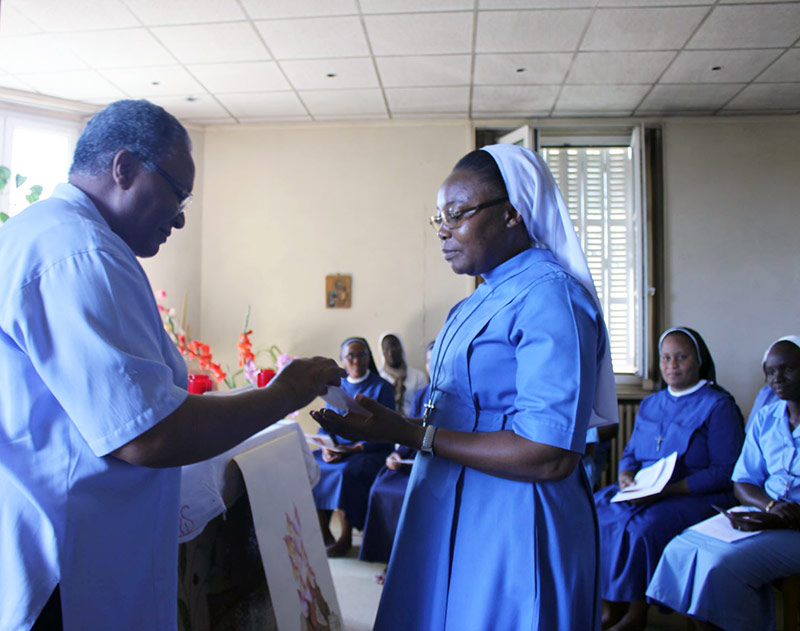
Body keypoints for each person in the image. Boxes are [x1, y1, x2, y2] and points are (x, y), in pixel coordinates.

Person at [0, 99, 344, 631]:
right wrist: (285, 394)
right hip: (69, 564)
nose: (181, 217)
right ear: (124, 168)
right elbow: (149, 435)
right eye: (177, 193)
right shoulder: (81, 253)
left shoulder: (45, 233)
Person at [313, 144, 619, 630]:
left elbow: (549, 453)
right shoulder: (475, 301)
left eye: (456, 214)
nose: (442, 230)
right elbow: (464, 413)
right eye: (439, 217)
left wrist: (413, 435)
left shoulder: (551, 297)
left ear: (512, 212)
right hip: (447, 497)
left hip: (513, 514)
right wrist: (389, 424)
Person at [594, 327, 745, 631]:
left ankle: (636, 613)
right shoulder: (651, 403)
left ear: (699, 360)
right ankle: (610, 607)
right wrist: (625, 475)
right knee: (596, 511)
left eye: (681, 357)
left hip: (694, 494)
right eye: (665, 358)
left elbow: (726, 471)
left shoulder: (719, 405)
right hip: (645, 491)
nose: (672, 365)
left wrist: (668, 490)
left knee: (641, 529)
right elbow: (631, 452)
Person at [646, 335, 800, 631]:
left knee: (722, 566)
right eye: (770, 372)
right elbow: (743, 481)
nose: (777, 378)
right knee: (681, 549)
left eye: (788, 369)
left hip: (795, 527)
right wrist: (770, 507)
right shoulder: (766, 418)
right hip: (766, 513)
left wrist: (784, 515)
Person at [312, 337, 395, 557]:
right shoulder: (337, 388)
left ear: (369, 358)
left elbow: (389, 430)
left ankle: (345, 537)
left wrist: (355, 448)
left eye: (361, 355)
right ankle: (323, 533)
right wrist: (327, 447)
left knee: (345, 473)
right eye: (350, 356)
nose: (356, 361)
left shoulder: (382, 387)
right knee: (311, 465)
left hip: (370, 450)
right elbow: (326, 423)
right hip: (339, 450)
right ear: (342, 360)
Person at [360, 342, 435, 576]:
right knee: (382, 488)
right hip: (413, 457)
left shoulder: (462, 395)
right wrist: (397, 454)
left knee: (408, 495)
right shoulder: (422, 394)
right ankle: (390, 559)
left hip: (441, 461)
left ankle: (411, 562)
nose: (434, 366)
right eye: (429, 362)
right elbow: (408, 431)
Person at [378, 332, 428, 415]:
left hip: (413, 420)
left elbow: (422, 406)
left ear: (401, 348)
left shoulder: (418, 376)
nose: (390, 353)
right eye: (386, 350)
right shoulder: (378, 377)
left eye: (393, 348)